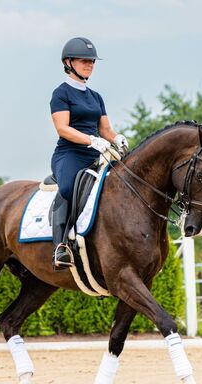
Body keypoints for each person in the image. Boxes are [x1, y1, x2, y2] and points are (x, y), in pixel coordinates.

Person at [49, 36, 128, 270]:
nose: (89, 65)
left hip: (97, 153)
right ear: (69, 62)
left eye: (92, 61)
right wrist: (90, 140)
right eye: (84, 61)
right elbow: (62, 128)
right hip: (71, 153)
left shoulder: (96, 97)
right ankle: (60, 245)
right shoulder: (61, 93)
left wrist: (116, 138)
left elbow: (105, 129)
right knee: (66, 188)